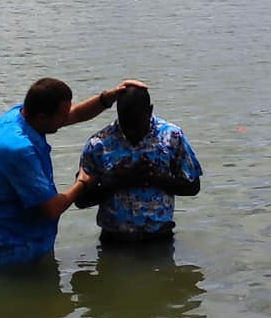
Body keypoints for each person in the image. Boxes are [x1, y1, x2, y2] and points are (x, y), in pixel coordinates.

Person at [0, 77, 145, 268]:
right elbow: (52, 209)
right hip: (14, 252)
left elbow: (76, 114)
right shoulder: (20, 150)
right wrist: (82, 183)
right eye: (62, 116)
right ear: (42, 117)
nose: (68, 118)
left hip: (23, 240)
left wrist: (107, 98)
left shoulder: (15, 117)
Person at [76, 85, 202, 242]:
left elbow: (193, 187)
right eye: (126, 123)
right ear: (117, 113)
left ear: (149, 111)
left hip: (159, 239)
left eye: (137, 123)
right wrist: (117, 182)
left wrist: (156, 178)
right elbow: (80, 200)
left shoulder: (172, 137)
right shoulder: (99, 144)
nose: (131, 131)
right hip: (115, 241)